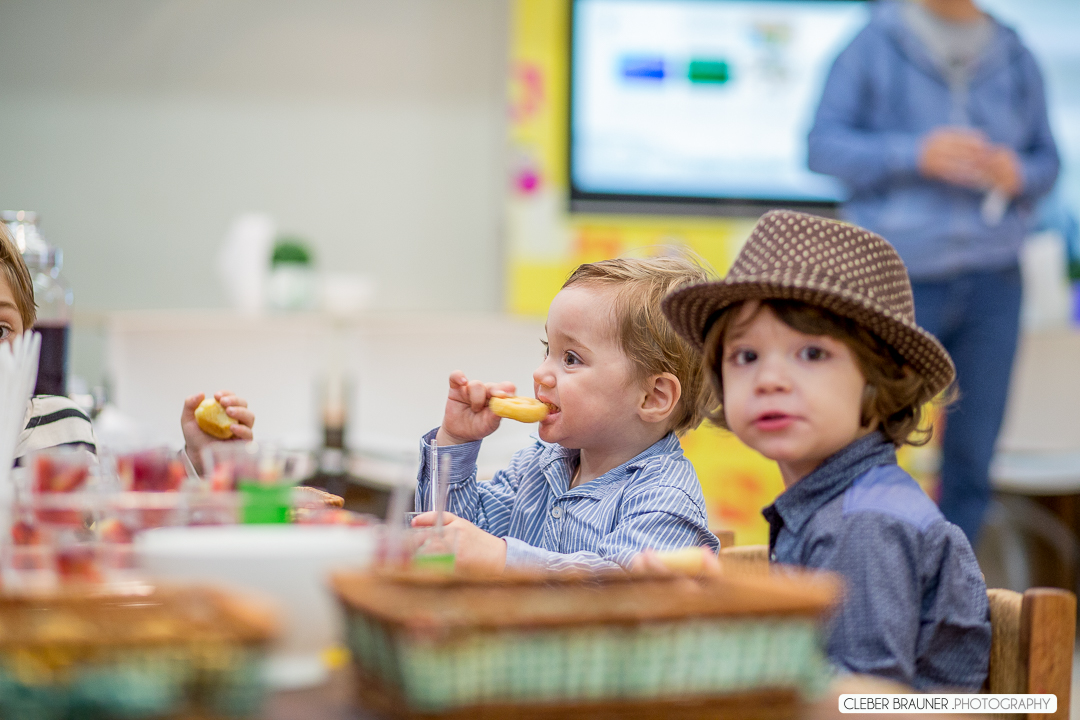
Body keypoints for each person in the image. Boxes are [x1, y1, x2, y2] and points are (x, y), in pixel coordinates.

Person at [662, 210, 990, 691]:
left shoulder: (865, 523)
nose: (769, 380)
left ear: (884, 377)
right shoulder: (835, 506)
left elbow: (863, 701)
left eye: (812, 353)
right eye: (745, 356)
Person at [806, 0, 1060, 545]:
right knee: (869, 441)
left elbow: (1049, 163)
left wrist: (1018, 171)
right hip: (896, 276)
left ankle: (950, 578)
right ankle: (865, 567)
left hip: (995, 278)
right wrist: (915, 155)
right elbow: (821, 148)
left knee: (973, 456)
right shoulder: (871, 43)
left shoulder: (1016, 53)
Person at [413, 256, 720, 573]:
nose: (540, 373)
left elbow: (619, 587)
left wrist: (505, 559)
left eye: (571, 358)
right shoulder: (536, 466)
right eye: (548, 349)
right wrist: (455, 441)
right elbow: (447, 545)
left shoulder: (665, 497)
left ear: (653, 397)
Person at [0, 222, 254, 469]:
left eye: (1, 330)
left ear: (29, 334)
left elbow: (128, 495)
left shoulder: (63, 429)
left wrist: (197, 460)